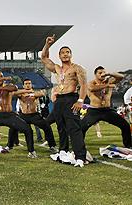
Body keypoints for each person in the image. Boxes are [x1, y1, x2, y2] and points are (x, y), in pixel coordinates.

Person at [41, 34, 88, 167]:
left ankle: (80, 157)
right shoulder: (57, 68)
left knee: (74, 128)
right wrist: (47, 44)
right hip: (59, 100)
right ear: (59, 56)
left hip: (71, 98)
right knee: (61, 127)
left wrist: (80, 100)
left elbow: (84, 85)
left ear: (71, 54)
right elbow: (44, 58)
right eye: (62, 52)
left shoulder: (77, 68)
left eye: (67, 52)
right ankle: (63, 151)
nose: (65, 54)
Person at [81, 66, 131, 148]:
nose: (102, 75)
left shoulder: (109, 81)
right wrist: (108, 85)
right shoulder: (91, 83)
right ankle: (79, 147)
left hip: (107, 111)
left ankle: (128, 146)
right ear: (95, 74)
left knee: (125, 125)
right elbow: (92, 88)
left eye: (103, 73)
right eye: (100, 73)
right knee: (81, 128)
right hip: (94, 111)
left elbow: (121, 77)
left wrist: (109, 74)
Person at [8, 79, 58, 153]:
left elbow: (42, 93)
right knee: (13, 127)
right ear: (23, 85)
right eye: (26, 83)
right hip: (23, 115)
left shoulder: (35, 93)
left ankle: (52, 146)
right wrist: (26, 92)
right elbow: (13, 93)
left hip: (34, 115)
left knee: (47, 126)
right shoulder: (21, 94)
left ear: (31, 85)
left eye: (29, 83)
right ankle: (9, 146)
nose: (28, 85)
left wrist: (31, 94)